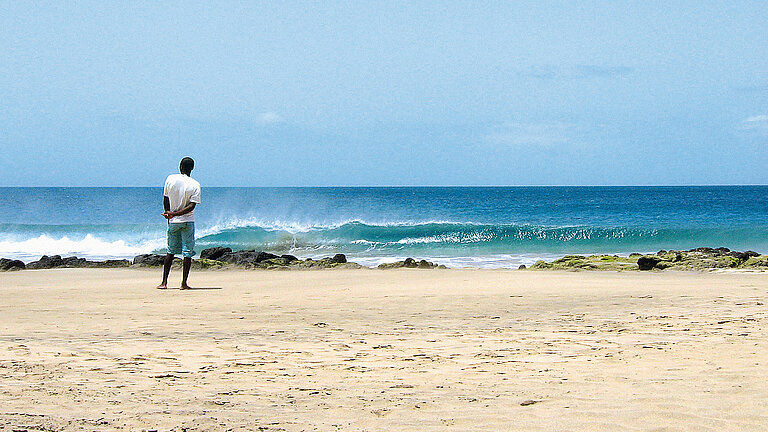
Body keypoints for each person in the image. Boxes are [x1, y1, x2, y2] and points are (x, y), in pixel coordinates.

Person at [157, 157, 201, 290]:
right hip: (187, 221)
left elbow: (166, 199)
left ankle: (164, 282)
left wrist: (169, 213)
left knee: (170, 252)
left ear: (180, 167)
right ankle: (184, 283)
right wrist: (174, 214)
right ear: (192, 168)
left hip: (173, 221)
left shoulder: (170, 179)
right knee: (187, 252)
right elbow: (192, 206)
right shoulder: (195, 184)